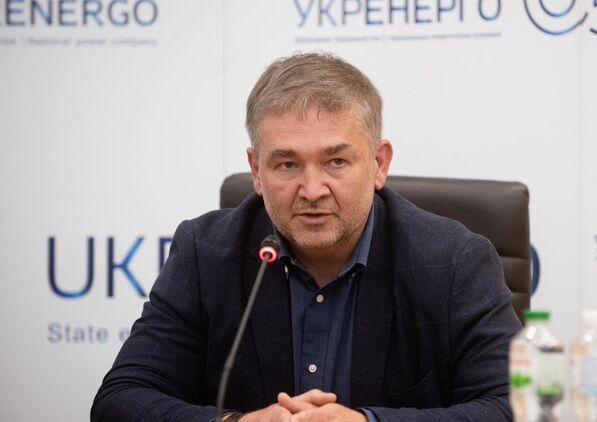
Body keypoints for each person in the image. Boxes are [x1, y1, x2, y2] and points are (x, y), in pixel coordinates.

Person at [92, 52, 522, 422]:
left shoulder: (453, 262)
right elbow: (121, 400)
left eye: (336, 161)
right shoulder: (205, 253)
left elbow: (516, 407)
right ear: (256, 171)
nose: (312, 190)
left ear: (378, 164)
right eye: (287, 165)